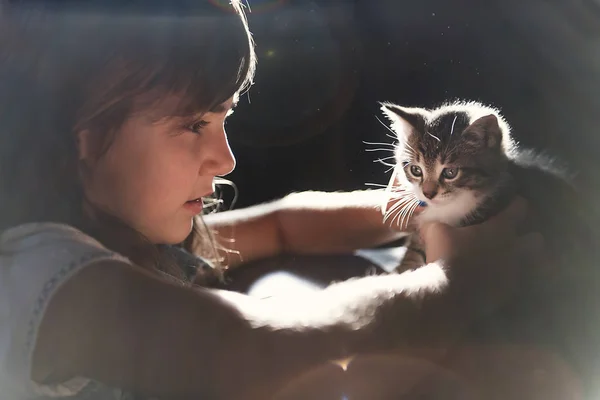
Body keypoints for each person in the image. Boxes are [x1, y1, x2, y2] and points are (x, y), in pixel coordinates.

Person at [0, 1, 543, 399]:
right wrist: (458, 282)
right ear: (86, 136)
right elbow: (254, 350)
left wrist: (419, 210)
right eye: (195, 123)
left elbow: (283, 225)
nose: (226, 159)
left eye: (224, 119)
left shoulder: (137, 234)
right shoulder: (31, 275)